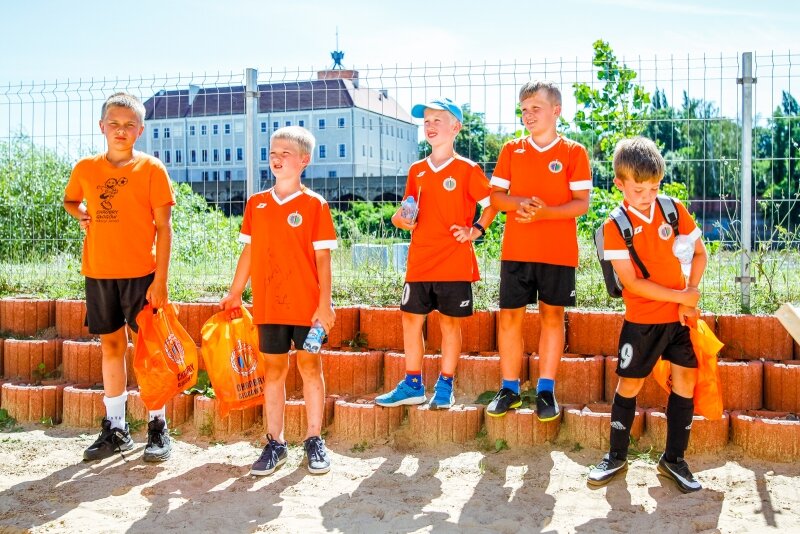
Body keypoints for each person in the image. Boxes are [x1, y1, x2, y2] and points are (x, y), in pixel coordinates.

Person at [588, 136, 707, 493]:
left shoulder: (673, 210)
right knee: (630, 384)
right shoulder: (615, 226)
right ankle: (616, 456)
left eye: (654, 187)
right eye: (639, 189)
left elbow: (699, 254)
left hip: (679, 321)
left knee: (685, 382)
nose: (647, 195)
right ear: (619, 184)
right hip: (641, 323)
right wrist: (682, 296)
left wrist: (688, 296)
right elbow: (632, 284)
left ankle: (674, 460)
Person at [63, 92, 175, 462]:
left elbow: (164, 227)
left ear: (140, 130)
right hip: (99, 273)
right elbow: (70, 200)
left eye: (129, 125)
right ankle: (116, 429)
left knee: (149, 351)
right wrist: (81, 212)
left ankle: (157, 426)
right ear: (102, 126)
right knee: (111, 348)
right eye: (114, 123)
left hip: (142, 275)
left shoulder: (151, 169)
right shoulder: (85, 168)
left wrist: (160, 280)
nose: (121, 130)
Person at [221, 126, 337, 476]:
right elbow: (248, 251)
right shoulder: (256, 204)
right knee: (273, 371)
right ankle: (275, 442)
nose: (277, 158)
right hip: (269, 305)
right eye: (273, 152)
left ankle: (314, 439)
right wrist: (235, 291)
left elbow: (323, 260)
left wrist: (325, 304)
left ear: (304, 160)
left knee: (310, 368)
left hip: (307, 309)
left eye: (285, 153)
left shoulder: (315, 205)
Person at [375, 97, 497, 410]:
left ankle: (445, 385)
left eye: (437, 121)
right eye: (426, 121)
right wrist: (401, 219)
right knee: (410, 321)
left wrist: (475, 230)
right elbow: (405, 212)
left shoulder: (468, 169)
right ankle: (413, 384)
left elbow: (493, 204)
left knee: (449, 325)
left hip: (454, 263)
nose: (430, 126)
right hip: (419, 262)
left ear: (455, 128)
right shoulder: (417, 170)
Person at [486, 81, 592, 421]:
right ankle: (510, 389)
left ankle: (546, 390)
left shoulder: (574, 152)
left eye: (535, 108)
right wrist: (521, 203)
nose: (528, 115)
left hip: (557, 253)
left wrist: (545, 213)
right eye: (523, 109)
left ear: (556, 111)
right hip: (516, 251)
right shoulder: (511, 150)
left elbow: (582, 204)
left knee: (552, 316)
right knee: (509, 318)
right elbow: (496, 198)